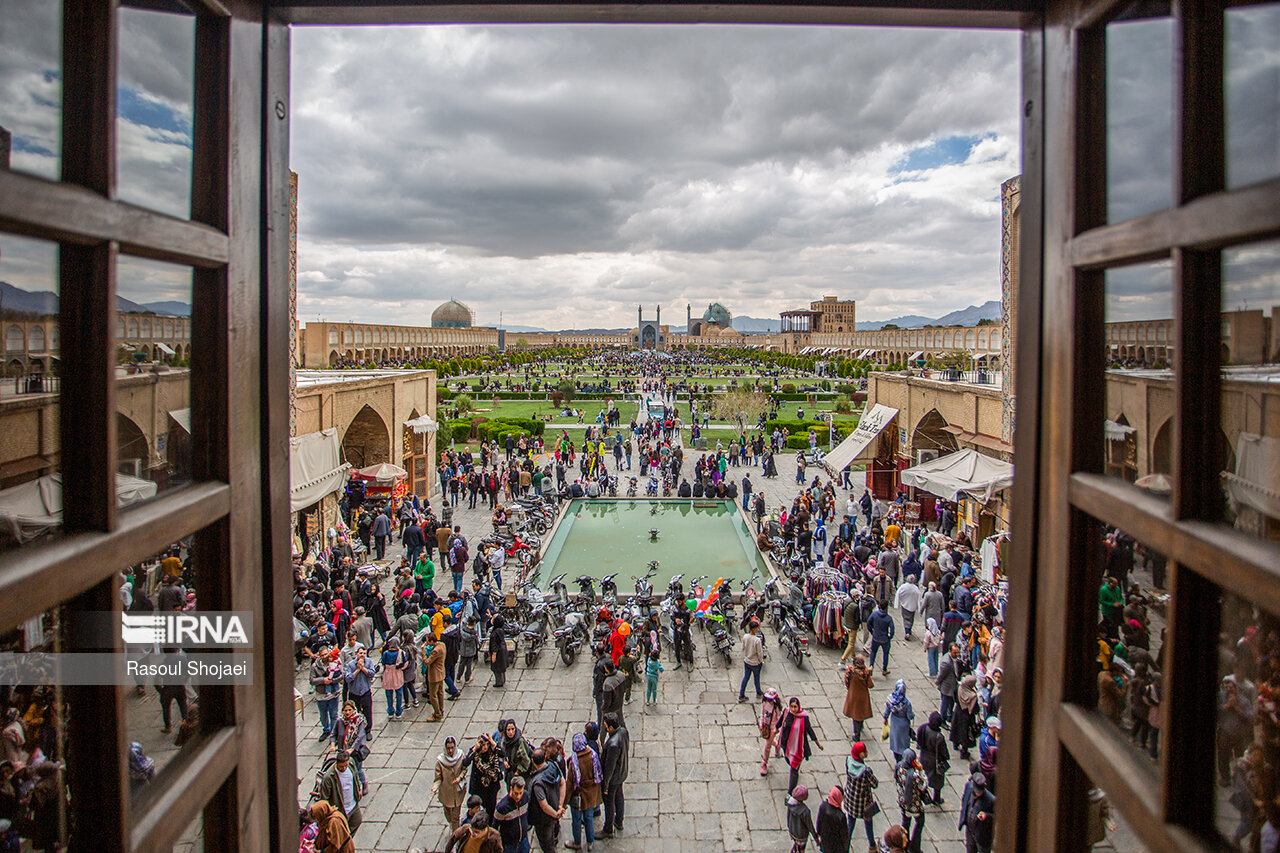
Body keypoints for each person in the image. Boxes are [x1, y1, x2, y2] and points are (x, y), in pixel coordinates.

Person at [566, 732, 603, 851]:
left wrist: (564, 802)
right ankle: (590, 842)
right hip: (591, 794)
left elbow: (570, 784)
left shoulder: (574, 761)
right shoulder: (593, 755)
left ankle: (577, 842)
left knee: (576, 820)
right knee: (589, 818)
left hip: (579, 795)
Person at [780, 696, 824, 794]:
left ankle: (791, 792)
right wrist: (775, 729)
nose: (793, 709)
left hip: (799, 748)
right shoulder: (787, 712)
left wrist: (817, 743)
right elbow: (780, 722)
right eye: (792, 706)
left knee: (794, 768)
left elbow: (809, 730)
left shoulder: (804, 718)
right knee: (789, 761)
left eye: (795, 707)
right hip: (787, 745)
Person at [843, 741, 879, 853]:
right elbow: (874, 784)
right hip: (864, 803)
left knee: (850, 824)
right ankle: (872, 845)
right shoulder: (865, 771)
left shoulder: (848, 760)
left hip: (851, 798)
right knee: (868, 823)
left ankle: (845, 847)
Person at [317, 749, 363, 835]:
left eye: (346, 765)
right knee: (341, 832)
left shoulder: (351, 764)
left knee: (357, 821)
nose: (344, 768)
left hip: (353, 805)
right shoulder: (329, 777)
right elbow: (324, 798)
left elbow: (355, 776)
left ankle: (347, 841)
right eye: (341, 767)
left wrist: (359, 789)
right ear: (336, 763)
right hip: (340, 809)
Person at [528, 748, 564, 853]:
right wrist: (560, 805)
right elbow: (563, 783)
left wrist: (556, 814)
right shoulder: (553, 766)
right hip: (555, 810)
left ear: (533, 761)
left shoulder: (538, 783)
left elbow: (544, 806)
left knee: (546, 845)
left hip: (544, 819)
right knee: (551, 835)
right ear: (545, 758)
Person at [461, 733, 505, 816]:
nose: (485, 747)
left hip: (491, 786)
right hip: (479, 787)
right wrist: (475, 749)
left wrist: (493, 744)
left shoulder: (493, 750)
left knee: (491, 809)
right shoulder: (475, 752)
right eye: (483, 745)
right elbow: (465, 762)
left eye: (487, 744)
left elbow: (503, 754)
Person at [600, 712, 629, 837]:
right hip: (622, 772)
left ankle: (608, 828)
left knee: (609, 801)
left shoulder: (613, 744)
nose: (605, 728)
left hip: (614, 777)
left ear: (611, 727)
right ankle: (619, 821)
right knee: (619, 795)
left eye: (606, 726)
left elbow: (609, 767)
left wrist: (605, 785)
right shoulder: (623, 732)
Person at [894, 749, 928, 853]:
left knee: (905, 823)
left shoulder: (899, 767)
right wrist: (921, 770)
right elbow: (923, 786)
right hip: (914, 804)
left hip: (903, 800)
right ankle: (914, 847)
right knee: (920, 822)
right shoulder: (914, 775)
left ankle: (904, 843)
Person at [432, 736, 467, 831]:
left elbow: (464, 769)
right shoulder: (440, 761)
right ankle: (452, 824)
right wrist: (435, 787)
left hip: (457, 792)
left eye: (452, 748)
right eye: (448, 748)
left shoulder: (460, 756)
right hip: (446, 793)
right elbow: (438, 778)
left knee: (456, 817)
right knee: (448, 814)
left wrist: (459, 778)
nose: (450, 750)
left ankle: (455, 834)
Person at [914, 712, 950, 806]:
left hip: (924, 757)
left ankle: (924, 795)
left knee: (923, 777)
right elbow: (944, 753)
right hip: (934, 761)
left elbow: (919, 741)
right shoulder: (939, 737)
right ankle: (936, 799)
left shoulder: (923, 728)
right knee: (937, 781)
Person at [310, 644, 342, 742]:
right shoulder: (315, 666)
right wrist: (323, 680)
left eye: (326, 654)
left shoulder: (334, 662)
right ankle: (326, 730)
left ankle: (333, 733)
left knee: (334, 714)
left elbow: (341, 676)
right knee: (323, 715)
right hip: (321, 694)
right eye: (322, 655)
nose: (325, 657)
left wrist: (332, 681)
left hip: (333, 693)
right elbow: (312, 680)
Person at [959, 772, 996, 853]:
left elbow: (996, 817)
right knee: (970, 849)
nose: (978, 793)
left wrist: (986, 816)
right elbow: (964, 800)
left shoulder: (991, 800)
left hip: (982, 835)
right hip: (970, 830)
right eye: (977, 791)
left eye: (980, 791)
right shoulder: (968, 787)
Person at [494, 776, 532, 853]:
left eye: (520, 793)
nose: (518, 796)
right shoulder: (502, 807)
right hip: (509, 845)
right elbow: (495, 826)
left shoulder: (526, 796)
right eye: (516, 793)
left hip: (523, 840)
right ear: (511, 789)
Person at [343, 646, 375, 735]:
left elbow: (372, 674)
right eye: (360, 653)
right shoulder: (350, 665)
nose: (362, 655)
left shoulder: (369, 662)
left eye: (364, 653)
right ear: (356, 654)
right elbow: (348, 678)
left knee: (367, 712)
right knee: (354, 713)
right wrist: (357, 670)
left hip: (365, 692)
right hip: (354, 693)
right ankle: (355, 730)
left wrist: (363, 669)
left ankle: (367, 731)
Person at [842, 654, 874, 741]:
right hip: (863, 696)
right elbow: (870, 685)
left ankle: (856, 735)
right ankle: (861, 726)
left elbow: (846, 681)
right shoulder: (865, 673)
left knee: (855, 715)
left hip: (853, 695)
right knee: (861, 713)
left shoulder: (850, 671)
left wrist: (850, 688)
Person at [883, 680, 915, 764]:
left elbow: (887, 710)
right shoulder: (906, 703)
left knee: (895, 741)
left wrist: (885, 718)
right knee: (904, 743)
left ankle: (897, 758)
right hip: (904, 724)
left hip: (894, 723)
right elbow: (909, 716)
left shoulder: (891, 699)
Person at [951, 674, 981, 759]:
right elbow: (975, 710)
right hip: (967, 716)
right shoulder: (973, 696)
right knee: (965, 733)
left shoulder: (958, 688)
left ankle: (955, 744)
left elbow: (954, 697)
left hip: (958, 712)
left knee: (956, 728)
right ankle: (964, 751)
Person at [760, 688, 786, 776]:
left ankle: (764, 763)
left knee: (767, 746)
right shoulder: (765, 704)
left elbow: (780, 719)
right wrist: (761, 724)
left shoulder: (776, 707)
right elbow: (762, 714)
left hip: (773, 728)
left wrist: (777, 728)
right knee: (769, 742)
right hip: (766, 727)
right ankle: (777, 745)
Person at [818, 785, 850, 853]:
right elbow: (844, 835)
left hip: (825, 843)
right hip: (836, 847)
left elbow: (819, 823)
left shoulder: (823, 806)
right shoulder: (840, 816)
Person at [380, 635, 406, 720]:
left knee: (389, 693)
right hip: (397, 673)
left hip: (388, 673)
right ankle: (398, 711)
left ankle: (390, 710)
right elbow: (405, 663)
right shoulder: (401, 653)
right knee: (399, 693)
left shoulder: (386, 653)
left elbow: (383, 662)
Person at [867, 600, 895, 676]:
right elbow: (892, 630)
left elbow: (868, 623)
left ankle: (871, 665)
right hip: (885, 639)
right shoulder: (888, 618)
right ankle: (884, 669)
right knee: (885, 654)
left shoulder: (874, 615)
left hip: (876, 637)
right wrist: (890, 636)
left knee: (873, 651)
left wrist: (872, 631)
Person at [423, 633, 447, 721]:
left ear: (432, 641)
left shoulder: (435, 651)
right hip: (441, 673)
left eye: (427, 641)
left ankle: (437, 714)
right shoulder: (442, 645)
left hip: (435, 675)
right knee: (440, 693)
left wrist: (423, 652)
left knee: (433, 695)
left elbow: (427, 662)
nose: (426, 643)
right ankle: (441, 710)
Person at [738, 620, 764, 702]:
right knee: (756, 678)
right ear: (753, 629)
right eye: (756, 628)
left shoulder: (745, 636)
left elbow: (743, 648)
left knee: (746, 677)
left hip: (747, 661)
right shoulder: (757, 640)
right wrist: (760, 661)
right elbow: (759, 652)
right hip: (755, 662)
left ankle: (741, 694)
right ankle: (759, 692)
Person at [935, 644, 962, 724]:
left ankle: (949, 716)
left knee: (951, 702)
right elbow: (942, 675)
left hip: (953, 684)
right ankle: (942, 719)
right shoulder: (946, 662)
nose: (957, 655)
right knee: (945, 704)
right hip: (947, 686)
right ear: (950, 651)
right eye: (954, 653)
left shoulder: (955, 659)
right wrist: (937, 682)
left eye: (957, 652)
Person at [787, 784, 816, 852]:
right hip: (801, 835)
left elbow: (788, 816)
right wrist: (816, 838)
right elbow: (809, 825)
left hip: (793, 830)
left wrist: (789, 826)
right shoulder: (805, 811)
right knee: (800, 850)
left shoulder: (790, 804)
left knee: (796, 846)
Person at [489, 614, 510, 688]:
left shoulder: (495, 633)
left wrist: (494, 654)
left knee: (497, 668)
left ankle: (499, 682)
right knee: (502, 667)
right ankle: (503, 679)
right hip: (502, 649)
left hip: (498, 652)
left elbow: (494, 645)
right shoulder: (501, 629)